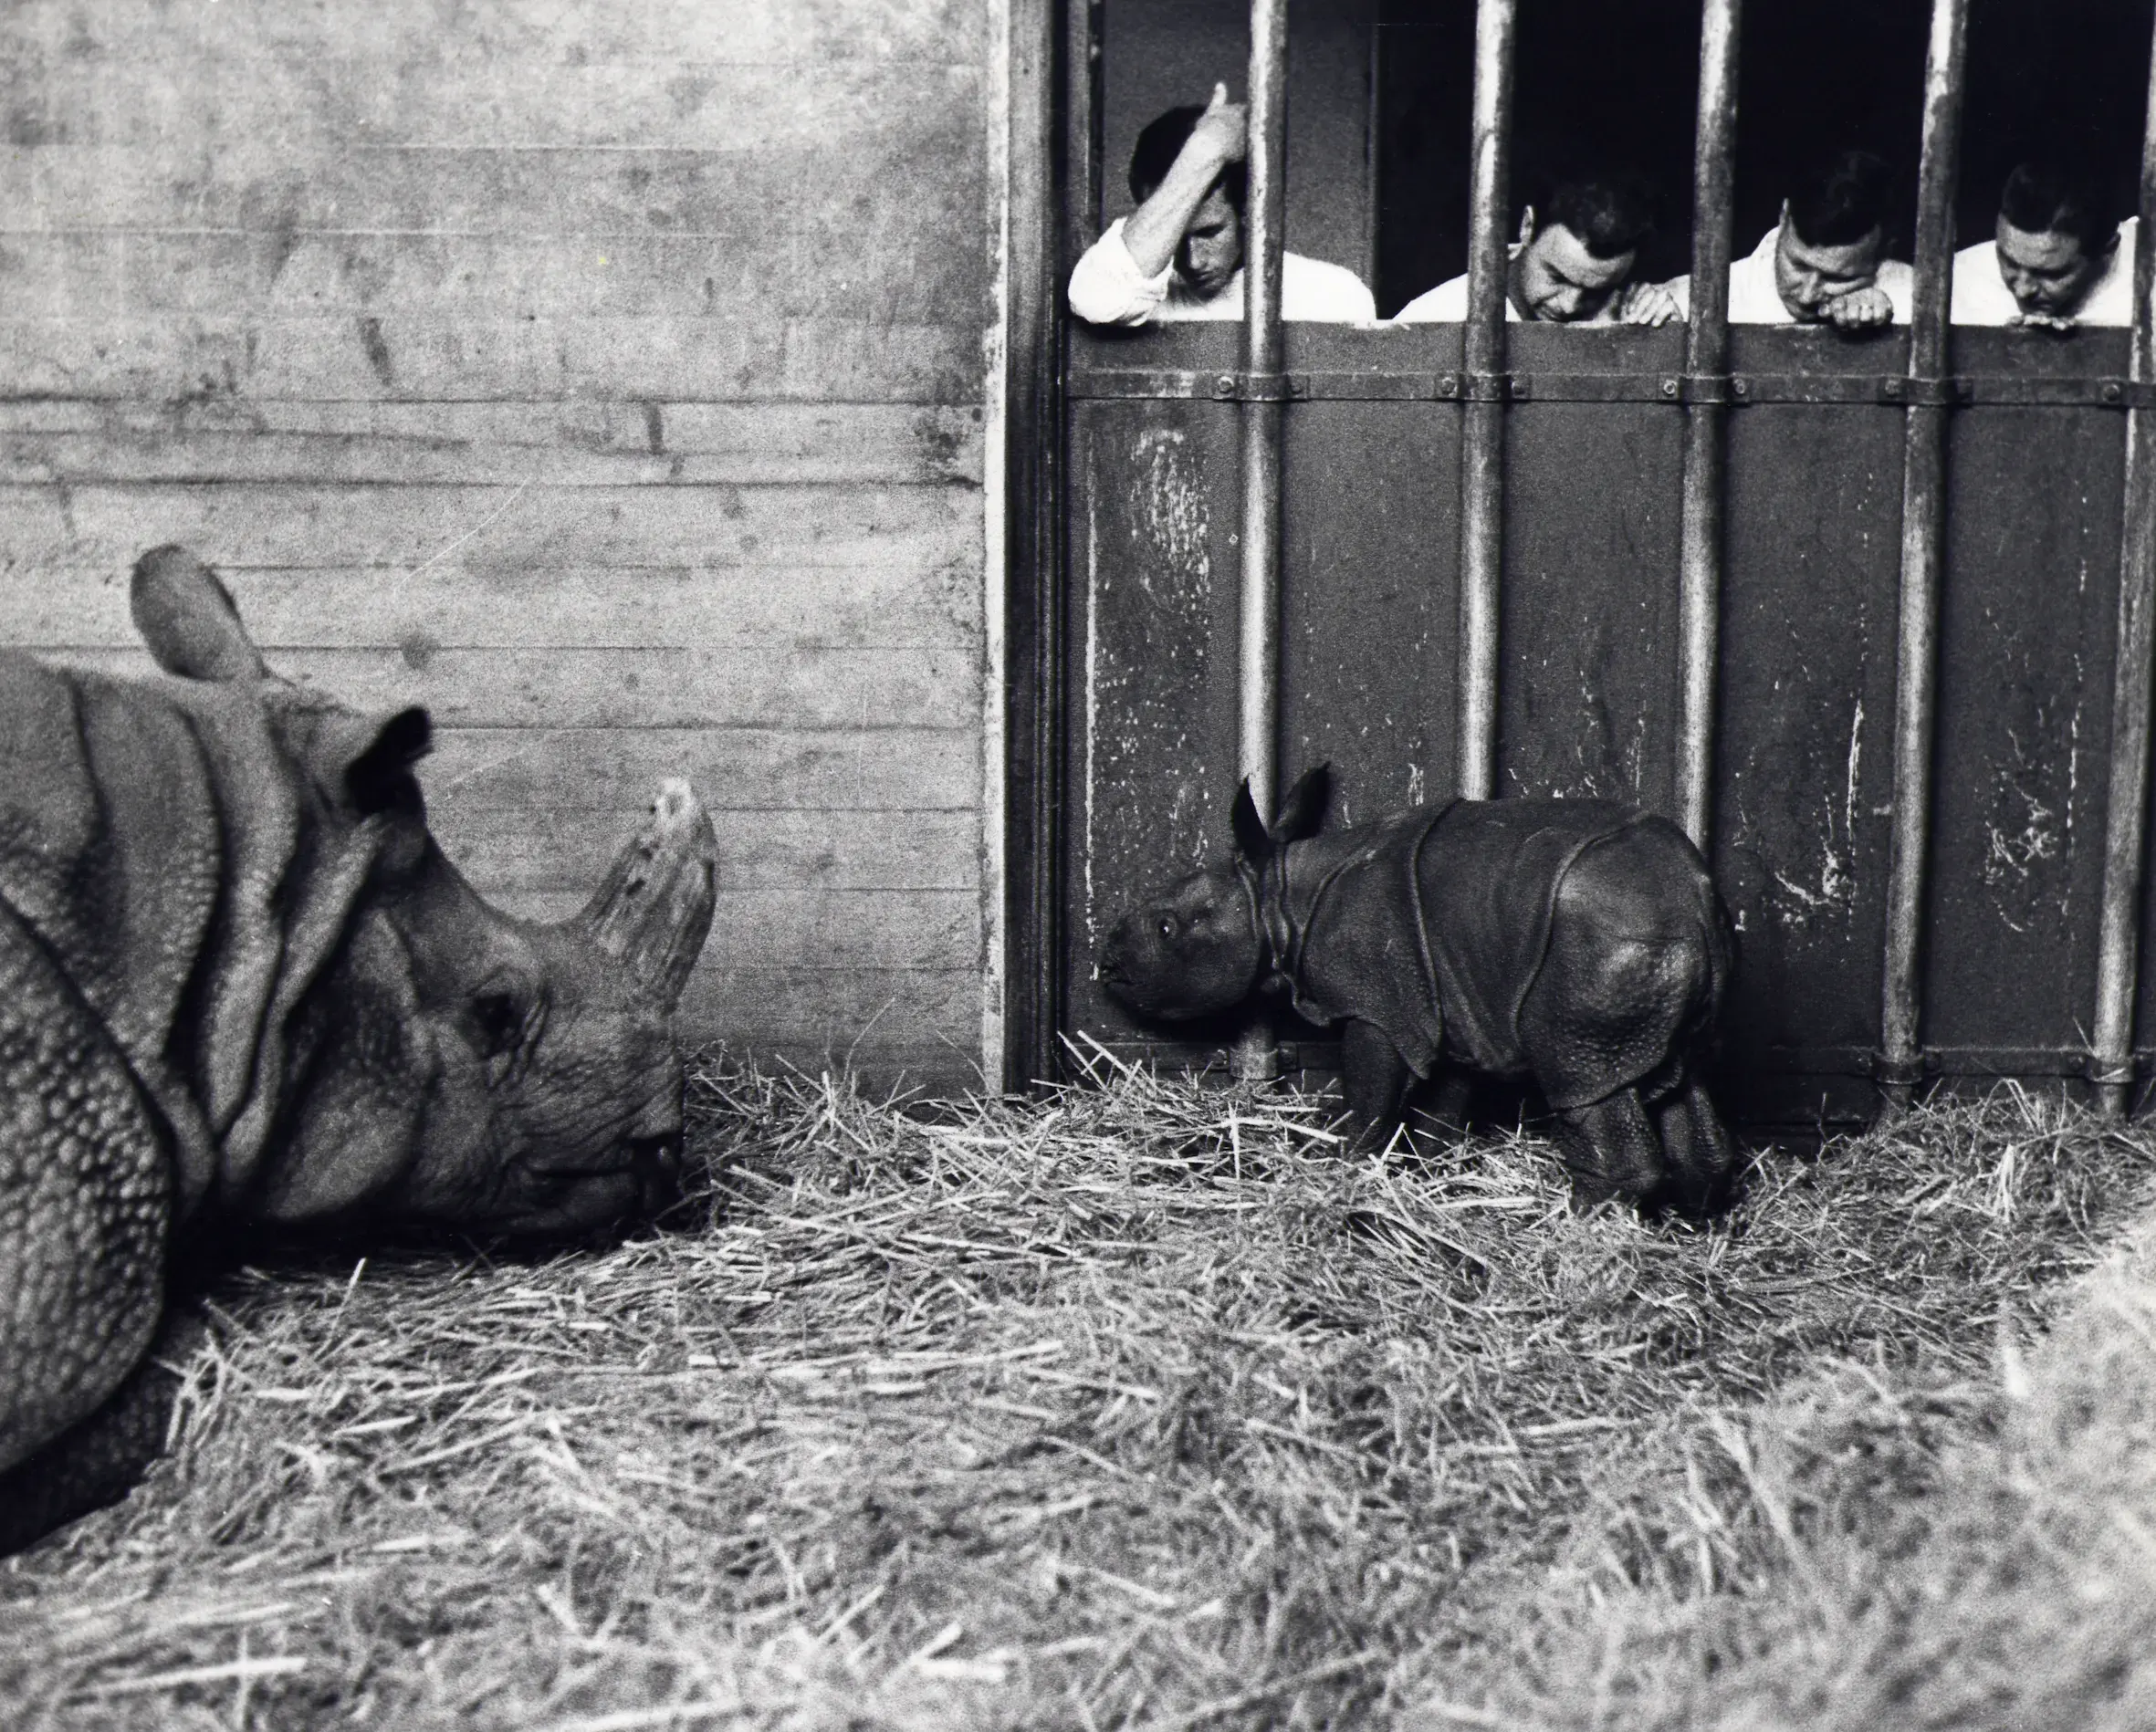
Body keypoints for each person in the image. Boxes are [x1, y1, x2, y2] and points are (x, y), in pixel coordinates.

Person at [1066, 85, 1376, 326]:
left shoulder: (1331, 294)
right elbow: (1095, 300)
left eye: (1209, 233)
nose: (1193, 261)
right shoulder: (1138, 293)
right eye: (1175, 236)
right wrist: (1206, 151)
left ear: (1247, 212)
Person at [1664, 150, 1912, 329]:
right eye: (1798, 266)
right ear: (1784, 215)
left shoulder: (1921, 304)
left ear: (1884, 251)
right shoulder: (1687, 304)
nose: (1807, 296)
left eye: (1837, 278)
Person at [1392, 176, 1679, 325]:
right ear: (1527, 227)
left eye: (1596, 291)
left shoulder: (1625, 312)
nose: (1569, 306)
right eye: (1557, 277)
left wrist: (1662, 342)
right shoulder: (1438, 317)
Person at [1952, 161, 2135, 329]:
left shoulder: (2148, 285)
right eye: (2009, 262)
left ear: (2107, 250)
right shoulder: (1956, 283)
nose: (2023, 290)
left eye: (2051, 274)